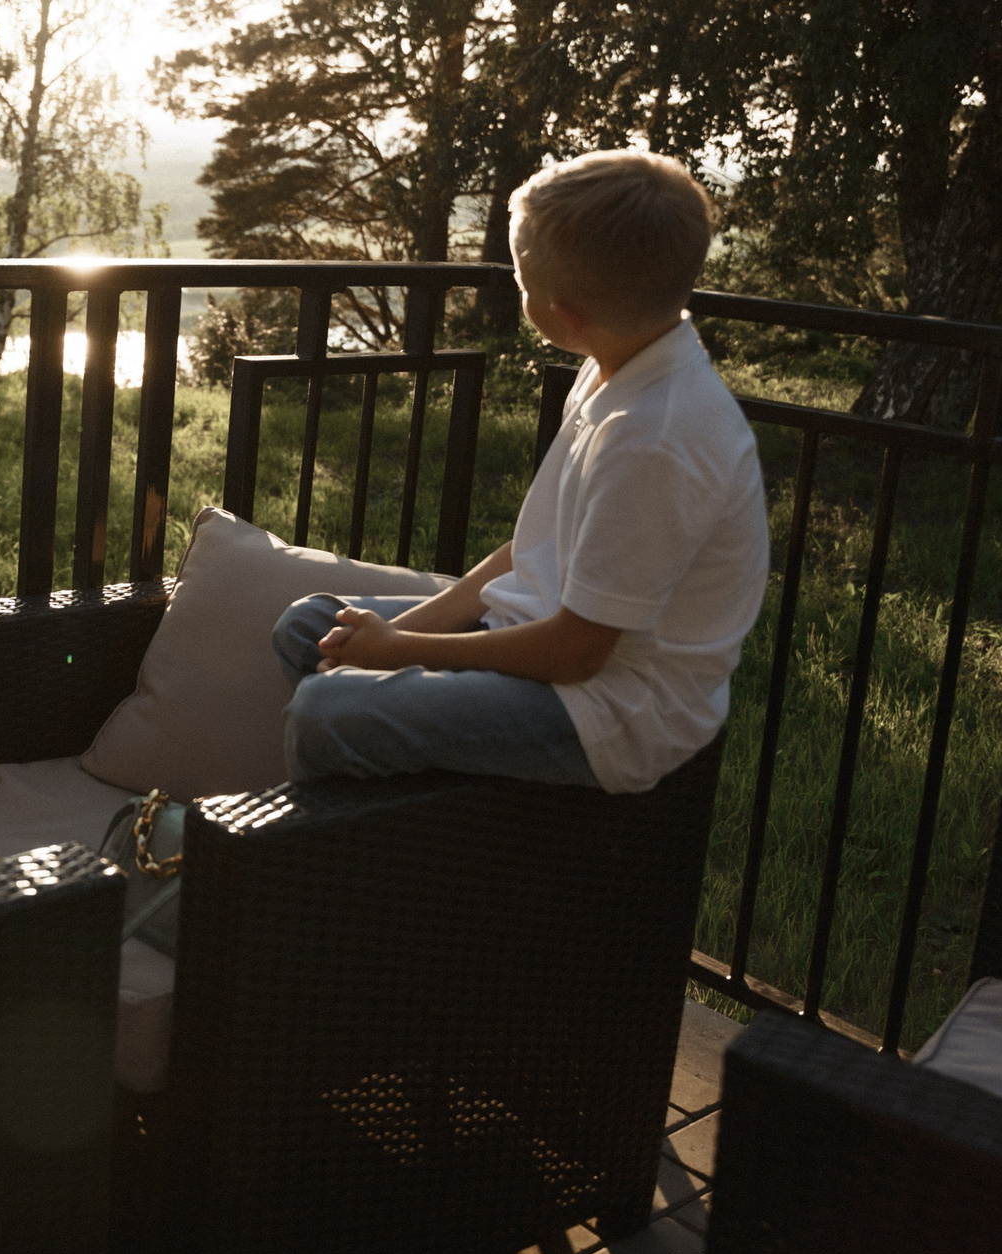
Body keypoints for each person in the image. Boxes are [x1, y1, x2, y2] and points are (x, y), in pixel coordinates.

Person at [271, 150, 770, 793]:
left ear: (564, 313)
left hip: (610, 709)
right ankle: (401, 792)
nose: (517, 290)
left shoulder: (656, 439)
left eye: (521, 282)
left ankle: (331, 837)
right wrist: (394, 635)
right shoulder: (613, 365)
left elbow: (576, 654)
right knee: (310, 626)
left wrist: (398, 651)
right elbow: (531, 548)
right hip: (540, 635)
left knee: (326, 712)